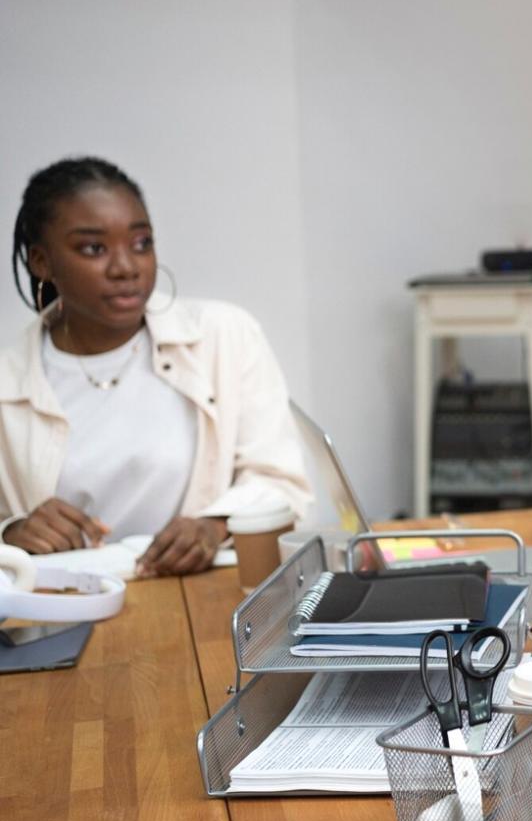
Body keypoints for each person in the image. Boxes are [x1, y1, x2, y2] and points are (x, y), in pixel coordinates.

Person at [2, 156, 310, 577]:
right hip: (64, 605)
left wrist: (215, 525)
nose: (126, 267)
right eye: (94, 248)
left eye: (141, 243)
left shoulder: (225, 335)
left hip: (202, 597)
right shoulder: (8, 379)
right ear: (42, 262)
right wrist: (11, 534)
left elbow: (282, 483)